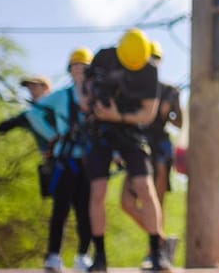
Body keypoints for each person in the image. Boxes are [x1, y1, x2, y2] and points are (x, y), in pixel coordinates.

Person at [82, 28, 169, 272]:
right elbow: (85, 84)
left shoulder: (150, 70)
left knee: (144, 186)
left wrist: (117, 115)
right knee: (97, 190)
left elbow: (148, 113)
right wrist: (93, 101)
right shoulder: (103, 57)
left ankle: (157, 252)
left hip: (131, 130)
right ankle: (99, 257)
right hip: (100, 129)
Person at [25, 48, 94, 271]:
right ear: (70, 70)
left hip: (87, 161)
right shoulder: (61, 96)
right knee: (60, 210)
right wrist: (52, 135)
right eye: (75, 66)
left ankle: (82, 256)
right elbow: (33, 113)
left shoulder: (96, 97)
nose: (79, 70)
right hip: (65, 159)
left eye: (84, 67)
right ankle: (53, 256)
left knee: (85, 211)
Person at [119, 41, 181, 267]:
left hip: (160, 148)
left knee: (157, 201)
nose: (151, 61)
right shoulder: (133, 88)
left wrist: (172, 106)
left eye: (155, 57)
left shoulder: (169, 89)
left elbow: (179, 123)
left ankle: (153, 252)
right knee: (127, 202)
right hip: (136, 146)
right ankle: (162, 241)